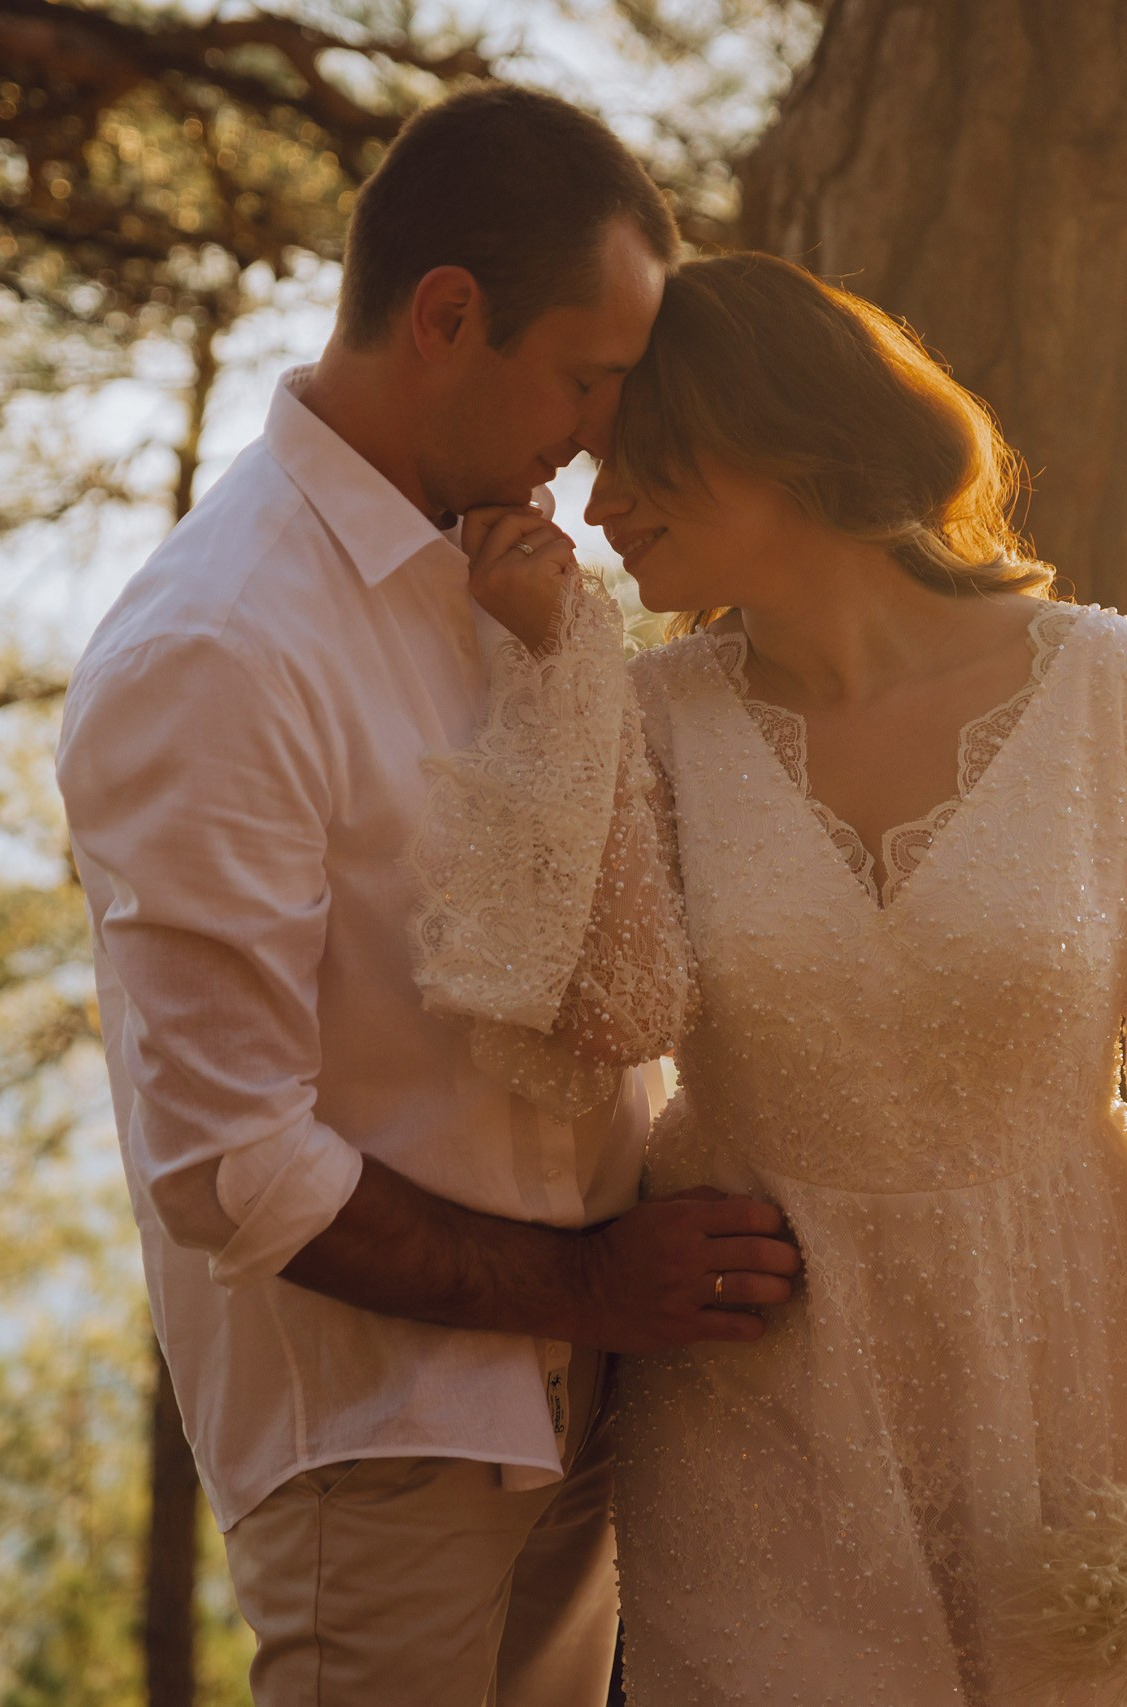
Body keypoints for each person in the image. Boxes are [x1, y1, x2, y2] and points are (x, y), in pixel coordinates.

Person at [416, 252, 1127, 1705]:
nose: (599, 508)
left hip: (1064, 1378)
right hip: (760, 1391)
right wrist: (555, 669)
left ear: (774, 436)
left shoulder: (1126, 698)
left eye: (637, 465)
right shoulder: (641, 714)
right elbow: (621, 1013)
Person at [54, 88, 801, 1707]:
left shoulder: (511, 579)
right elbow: (235, 1168)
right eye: (588, 378)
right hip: (385, 1456)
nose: (604, 434)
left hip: (588, 1403)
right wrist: (598, 1286)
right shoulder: (216, 652)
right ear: (447, 316)